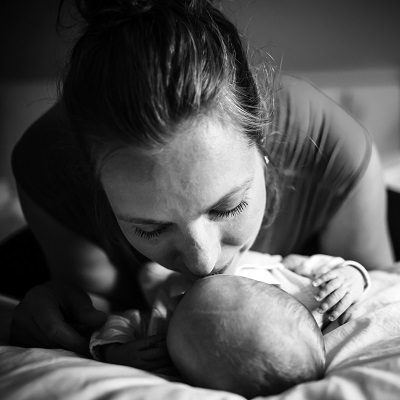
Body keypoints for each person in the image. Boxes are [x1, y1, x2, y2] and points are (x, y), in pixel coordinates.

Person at [7, 0, 393, 359]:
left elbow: (378, 292)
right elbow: (105, 307)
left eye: (228, 207)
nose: (203, 262)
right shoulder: (47, 166)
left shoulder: (332, 146)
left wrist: (351, 278)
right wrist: (68, 313)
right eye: (151, 229)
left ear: (262, 143)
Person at [87, 251, 370, 392]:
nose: (198, 282)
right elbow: (321, 266)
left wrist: (115, 351)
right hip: (236, 256)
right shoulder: (302, 292)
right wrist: (352, 276)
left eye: (184, 304)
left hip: (158, 276)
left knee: (150, 276)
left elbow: (121, 321)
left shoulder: (161, 327)